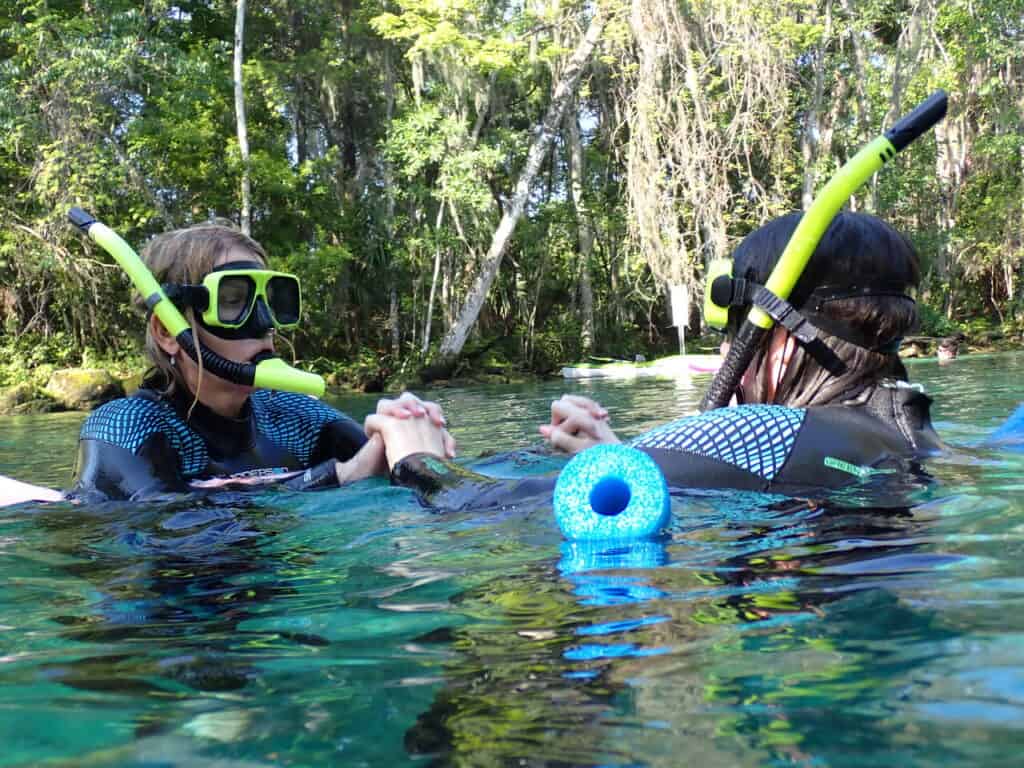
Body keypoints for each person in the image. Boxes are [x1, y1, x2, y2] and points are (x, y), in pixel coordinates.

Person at [365, 212, 944, 504]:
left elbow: (487, 509)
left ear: (787, 335)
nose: (725, 351)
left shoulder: (763, 431)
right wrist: (623, 459)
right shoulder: (908, 431)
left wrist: (420, 464)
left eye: (736, 332)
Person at [55, 221, 453, 504]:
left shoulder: (294, 416)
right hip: (178, 615)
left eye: (270, 302)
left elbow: (388, 466)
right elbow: (164, 530)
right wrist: (341, 476)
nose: (265, 326)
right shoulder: (126, 426)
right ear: (166, 332)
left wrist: (410, 440)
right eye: (232, 302)